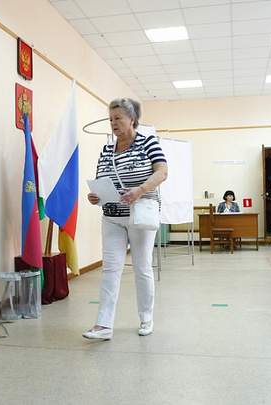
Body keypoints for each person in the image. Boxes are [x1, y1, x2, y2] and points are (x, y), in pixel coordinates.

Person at [84, 98, 168, 340]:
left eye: (118, 118)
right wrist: (96, 196)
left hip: (140, 215)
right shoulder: (106, 150)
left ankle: (146, 317)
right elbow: (103, 180)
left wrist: (139, 190)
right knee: (110, 269)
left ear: (132, 119)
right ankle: (103, 325)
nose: (113, 123)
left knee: (142, 267)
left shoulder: (148, 142)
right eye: (111, 119)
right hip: (112, 217)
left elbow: (162, 172)